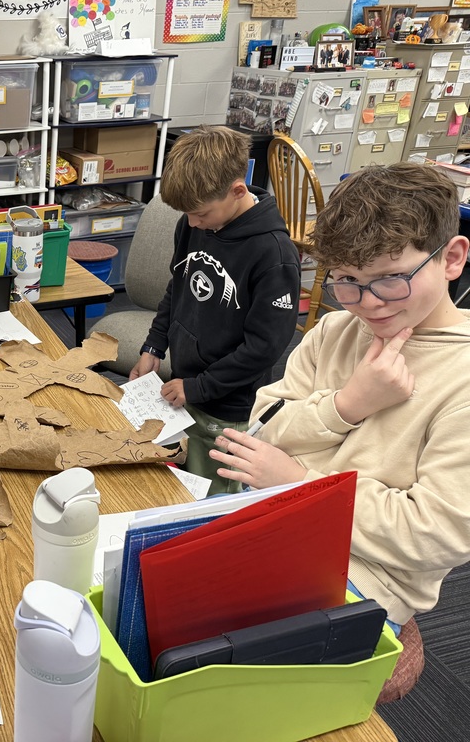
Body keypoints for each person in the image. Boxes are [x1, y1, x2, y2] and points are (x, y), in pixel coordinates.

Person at [211, 162, 470, 628]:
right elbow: (263, 428)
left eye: (392, 278)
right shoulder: (335, 328)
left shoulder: (461, 379)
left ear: (451, 259)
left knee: (202, 640)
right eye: (347, 280)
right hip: (272, 515)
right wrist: (347, 405)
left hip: (363, 577)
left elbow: (435, 534)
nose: (368, 303)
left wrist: (299, 481)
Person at [129, 125, 300, 494]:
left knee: (208, 502)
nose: (192, 223)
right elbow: (178, 286)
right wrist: (154, 347)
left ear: (238, 191)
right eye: (187, 214)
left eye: (200, 213)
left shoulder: (274, 254)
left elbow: (265, 347)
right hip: (185, 388)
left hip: (228, 406)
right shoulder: (193, 225)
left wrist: (200, 387)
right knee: (174, 484)